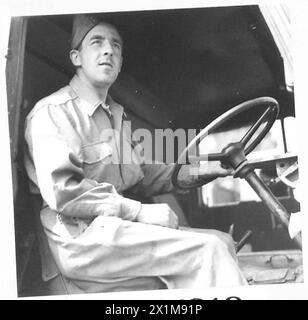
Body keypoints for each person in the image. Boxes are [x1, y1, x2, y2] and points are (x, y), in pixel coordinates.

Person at [24, 14, 247, 293]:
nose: (109, 50)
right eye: (97, 42)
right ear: (76, 57)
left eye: (116, 45)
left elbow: (148, 173)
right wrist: (140, 211)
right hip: (80, 240)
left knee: (222, 241)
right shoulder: (53, 113)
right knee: (210, 250)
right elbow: (66, 192)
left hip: (114, 232)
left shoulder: (115, 115)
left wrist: (209, 170)